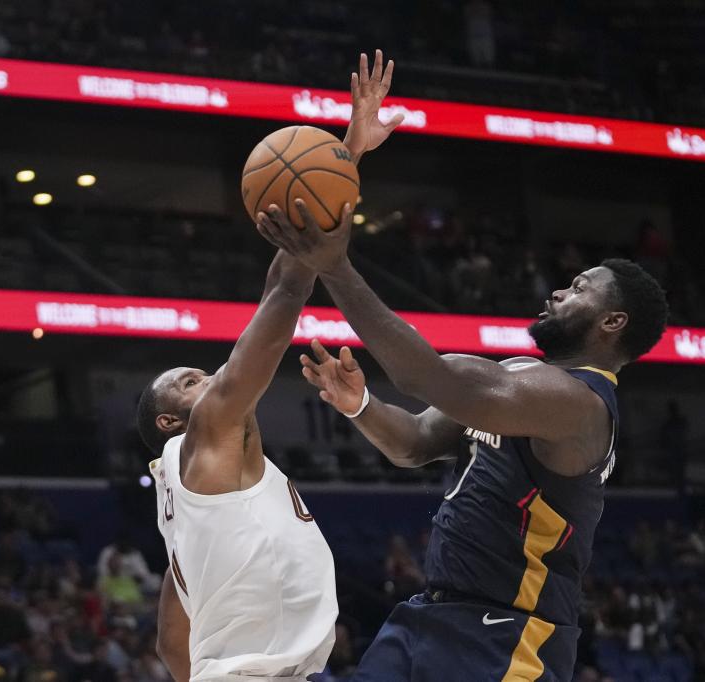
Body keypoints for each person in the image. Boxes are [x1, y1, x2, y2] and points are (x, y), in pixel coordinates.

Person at [257, 199, 667, 680]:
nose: (557, 292)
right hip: (429, 616)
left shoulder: (582, 404)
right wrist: (360, 404)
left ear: (611, 323)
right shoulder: (522, 382)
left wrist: (337, 268)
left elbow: (425, 376)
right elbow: (415, 442)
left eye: (578, 289)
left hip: (507, 636)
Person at [137, 51, 402, 682]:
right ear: (175, 418)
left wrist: (349, 152)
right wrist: (328, 192)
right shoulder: (206, 436)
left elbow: (172, 647)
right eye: (191, 380)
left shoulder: (181, 511)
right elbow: (282, 299)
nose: (215, 376)